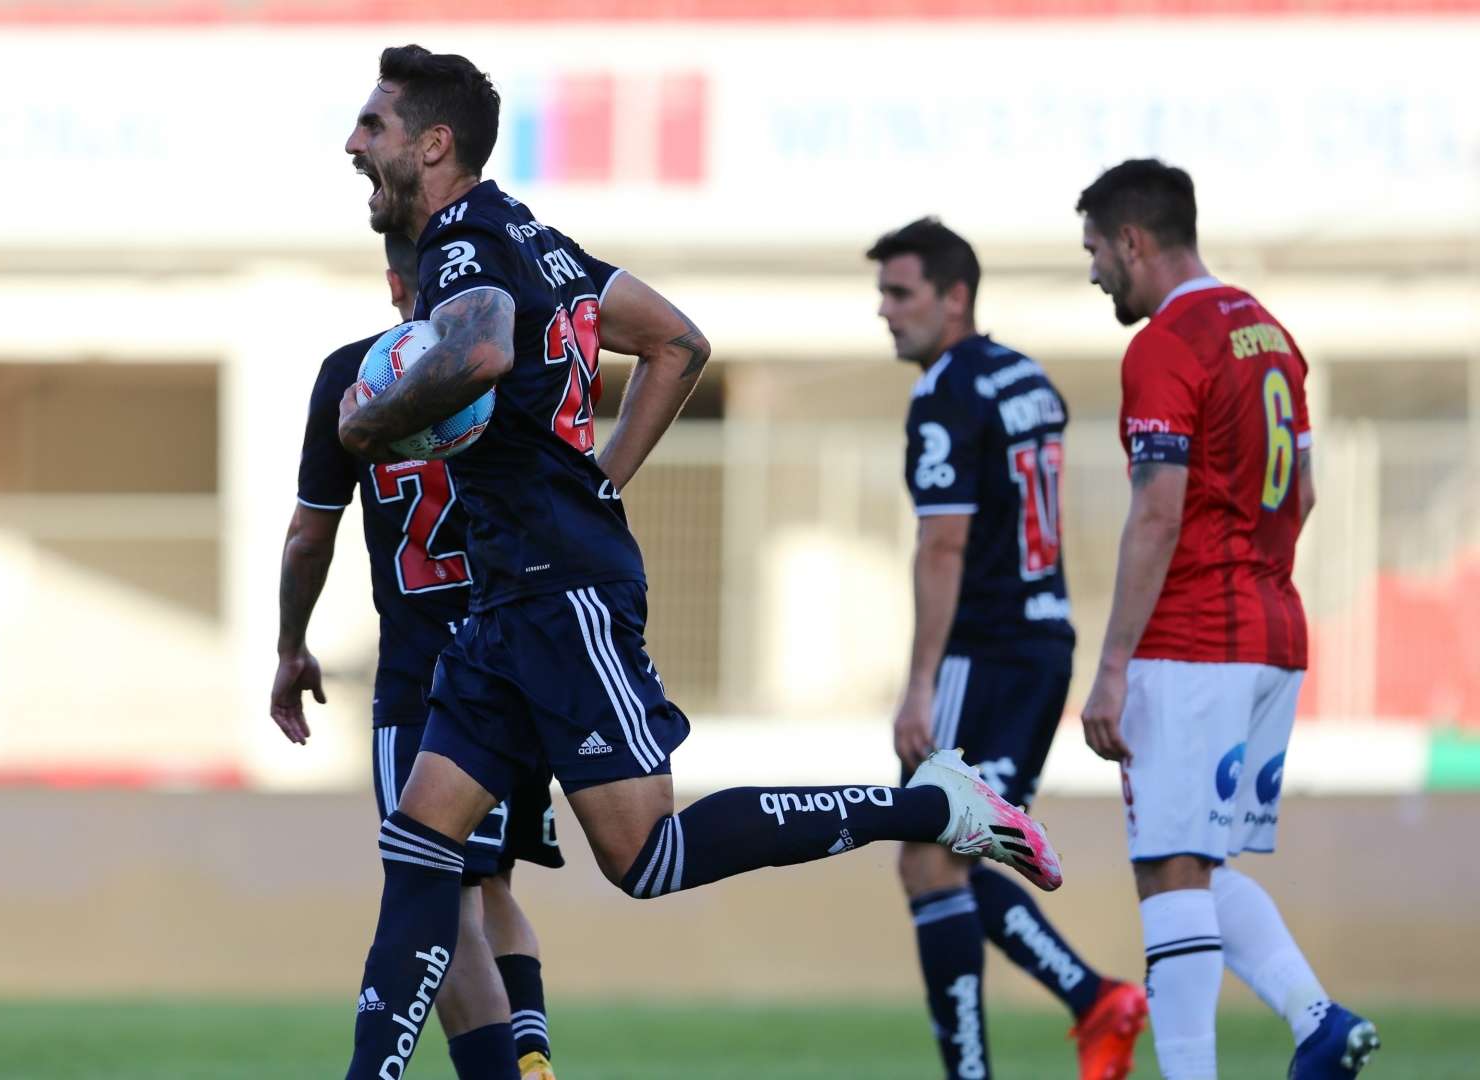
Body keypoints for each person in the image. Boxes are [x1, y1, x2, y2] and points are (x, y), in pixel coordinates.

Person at [334, 45, 1063, 1079]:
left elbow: (481, 350)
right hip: (508, 601)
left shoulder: (463, 244)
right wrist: (601, 479)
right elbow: (676, 341)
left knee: (648, 857)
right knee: (419, 847)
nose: (355, 144)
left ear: (434, 145)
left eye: (374, 126)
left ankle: (936, 806)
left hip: (561, 598)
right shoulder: (538, 242)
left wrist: (373, 420)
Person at [1074, 158, 1379, 1080]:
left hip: (1194, 640)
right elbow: (1309, 490)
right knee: (1195, 862)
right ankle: (1317, 1020)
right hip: (1273, 635)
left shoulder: (1166, 345)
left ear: (1134, 240)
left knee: (1168, 869)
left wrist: (1114, 664)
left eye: (1095, 251)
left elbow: (1158, 509)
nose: (1093, 274)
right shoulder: (1271, 334)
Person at [272, 229, 565, 1080]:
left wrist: (291, 646)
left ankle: (498, 1074)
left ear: (398, 279)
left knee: (445, 893)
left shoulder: (354, 376)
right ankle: (534, 1054)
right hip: (519, 656)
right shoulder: (515, 365)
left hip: (426, 676)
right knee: (495, 881)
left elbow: (306, 539)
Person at [869, 217, 1147, 1080]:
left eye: (901, 293)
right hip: (1043, 645)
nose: (884, 312)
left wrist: (920, 686)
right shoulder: (1027, 377)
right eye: (881, 293)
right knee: (959, 852)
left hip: (982, 655)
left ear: (955, 297)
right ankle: (1092, 997)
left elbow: (943, 544)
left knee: (929, 855)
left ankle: (1052, 1022)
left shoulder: (946, 393)